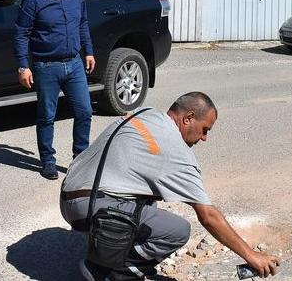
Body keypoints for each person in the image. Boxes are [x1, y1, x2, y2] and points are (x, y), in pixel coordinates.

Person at [60, 92, 280, 280]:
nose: (204, 138)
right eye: (205, 129)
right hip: (86, 207)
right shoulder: (176, 152)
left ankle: (106, 246)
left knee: (148, 202)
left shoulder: (146, 113)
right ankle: (107, 270)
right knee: (176, 231)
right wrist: (251, 256)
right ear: (189, 118)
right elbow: (208, 216)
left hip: (70, 194)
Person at [14, 0, 96, 180]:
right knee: (47, 116)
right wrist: (23, 66)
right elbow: (21, 34)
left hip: (74, 63)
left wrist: (88, 51)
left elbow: (83, 23)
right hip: (45, 66)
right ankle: (48, 161)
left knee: (84, 112)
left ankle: (80, 160)